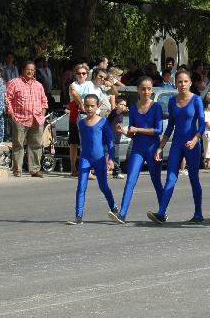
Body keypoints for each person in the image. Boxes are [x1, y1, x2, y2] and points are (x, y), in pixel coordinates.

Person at [147, 70, 206, 225]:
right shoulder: (172, 101)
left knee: (194, 179)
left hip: (192, 144)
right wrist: (160, 147)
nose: (182, 84)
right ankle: (161, 213)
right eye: (179, 82)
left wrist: (195, 139)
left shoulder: (196, 100)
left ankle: (198, 213)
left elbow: (202, 124)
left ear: (190, 83)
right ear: (175, 83)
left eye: (185, 81)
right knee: (170, 178)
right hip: (177, 144)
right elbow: (170, 126)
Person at [109, 77, 164, 223]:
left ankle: (162, 212)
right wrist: (124, 131)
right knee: (130, 180)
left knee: (156, 181)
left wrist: (137, 129)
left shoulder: (156, 107)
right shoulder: (133, 108)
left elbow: (159, 130)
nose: (146, 91)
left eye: (149, 89)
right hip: (138, 148)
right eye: (143, 89)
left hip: (153, 148)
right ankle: (122, 213)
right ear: (138, 90)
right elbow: (133, 133)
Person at [67, 94, 117, 224]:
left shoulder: (103, 122)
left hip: (99, 159)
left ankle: (114, 207)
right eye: (87, 105)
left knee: (103, 186)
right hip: (85, 158)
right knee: (81, 187)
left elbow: (110, 142)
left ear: (97, 106)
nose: (89, 108)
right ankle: (78, 216)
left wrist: (110, 158)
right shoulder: (81, 123)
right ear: (83, 105)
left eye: (92, 106)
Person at [5, 61, 49, 177]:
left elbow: (44, 101)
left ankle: (35, 169)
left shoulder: (38, 85)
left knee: (36, 145)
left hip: (36, 119)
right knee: (18, 144)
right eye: (28, 69)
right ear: (23, 70)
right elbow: (7, 98)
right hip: (20, 119)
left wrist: (42, 115)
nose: (30, 72)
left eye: (33, 70)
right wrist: (11, 114)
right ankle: (17, 170)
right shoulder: (14, 83)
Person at [107, 97, 128, 179]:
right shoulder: (114, 112)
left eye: (124, 105)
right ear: (116, 105)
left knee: (116, 155)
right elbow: (117, 111)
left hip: (117, 137)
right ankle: (117, 171)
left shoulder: (121, 114)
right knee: (112, 155)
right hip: (110, 137)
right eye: (121, 104)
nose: (123, 106)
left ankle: (115, 172)